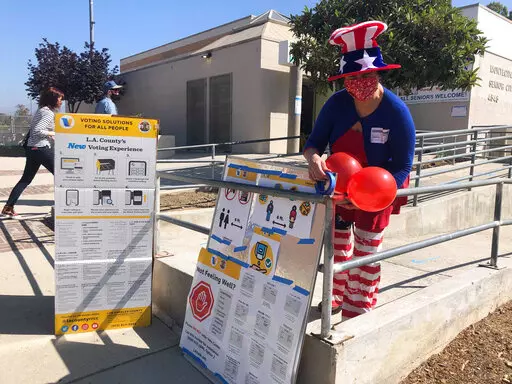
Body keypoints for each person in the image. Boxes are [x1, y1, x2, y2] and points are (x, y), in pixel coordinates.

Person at [304, 21, 416, 319]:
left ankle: (358, 307)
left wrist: (374, 193)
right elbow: (313, 143)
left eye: (366, 75)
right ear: (343, 79)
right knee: (337, 248)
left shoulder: (397, 112)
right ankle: (335, 297)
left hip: (377, 192)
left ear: (378, 72)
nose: (359, 83)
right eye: (352, 78)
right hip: (339, 190)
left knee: (366, 252)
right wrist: (313, 160)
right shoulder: (336, 105)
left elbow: (404, 164)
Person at [2, 87, 64, 216]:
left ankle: (9, 206)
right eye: (60, 99)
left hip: (33, 149)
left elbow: (38, 130)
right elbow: (37, 131)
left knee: (26, 179)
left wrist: (50, 134)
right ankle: (65, 206)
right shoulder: (48, 113)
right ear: (53, 99)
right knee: (62, 175)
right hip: (40, 148)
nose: (61, 101)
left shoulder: (41, 110)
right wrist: (54, 133)